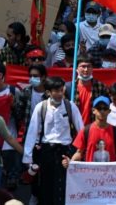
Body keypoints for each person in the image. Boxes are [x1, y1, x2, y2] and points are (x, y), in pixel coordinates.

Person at [22, 76, 82, 204]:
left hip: (65, 152)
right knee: (46, 187)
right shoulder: (41, 107)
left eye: (61, 90)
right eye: (56, 91)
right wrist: (28, 158)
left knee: (64, 187)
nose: (60, 93)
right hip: (46, 152)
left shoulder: (70, 106)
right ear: (49, 92)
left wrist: (79, 153)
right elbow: (32, 132)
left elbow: (81, 131)